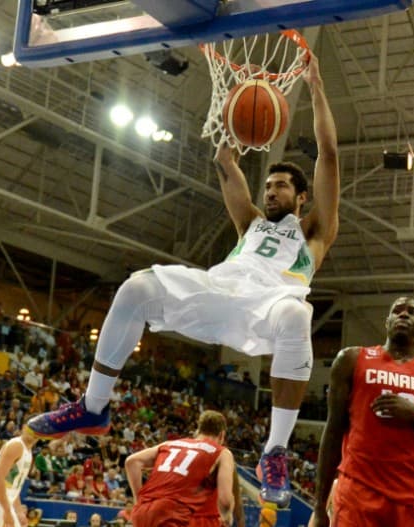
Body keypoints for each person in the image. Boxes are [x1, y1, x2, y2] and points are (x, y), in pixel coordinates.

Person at [26, 48, 339, 509]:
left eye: (282, 186)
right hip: (219, 292)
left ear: (301, 197)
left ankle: (275, 451)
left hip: (269, 309)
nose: (271, 191)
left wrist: (315, 87)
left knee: (296, 314)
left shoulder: (314, 232)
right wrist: (236, 105)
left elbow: (329, 154)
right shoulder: (249, 223)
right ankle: (94, 407)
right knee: (136, 288)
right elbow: (223, 161)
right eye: (268, 185)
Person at [309, 296, 414, 527]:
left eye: (412, 311)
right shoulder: (352, 360)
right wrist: (319, 508)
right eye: (397, 310)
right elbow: (332, 434)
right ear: (387, 321)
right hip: (357, 493)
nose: (404, 314)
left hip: (409, 501)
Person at [124, 410, 236, 527]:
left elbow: (131, 462)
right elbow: (225, 500)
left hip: (142, 512)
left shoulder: (169, 444)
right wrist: (227, 516)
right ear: (222, 435)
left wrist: (138, 499)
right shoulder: (222, 452)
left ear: (198, 430)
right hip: (170, 514)